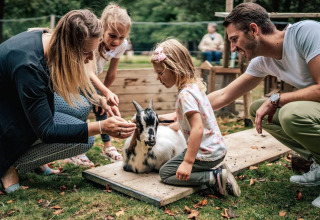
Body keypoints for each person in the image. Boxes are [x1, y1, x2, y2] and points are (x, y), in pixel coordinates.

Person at [0, 9, 136, 194]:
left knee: (81, 105)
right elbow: (47, 131)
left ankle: (35, 161)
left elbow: (69, 84)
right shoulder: (29, 67)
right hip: (7, 121)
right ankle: (10, 165)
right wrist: (103, 126)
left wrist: (99, 99)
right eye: (86, 52)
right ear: (68, 48)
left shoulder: (48, 40)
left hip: (19, 108)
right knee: (85, 140)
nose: (90, 58)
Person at [205, 2, 320, 208]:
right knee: (257, 108)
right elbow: (223, 95)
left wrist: (277, 98)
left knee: (290, 114)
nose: (233, 48)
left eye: (234, 39)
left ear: (253, 30)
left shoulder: (306, 33)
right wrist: (180, 113)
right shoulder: (263, 61)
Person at [150, 39, 241, 197]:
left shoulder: (185, 95)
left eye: (160, 73)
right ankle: (218, 172)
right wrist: (159, 120)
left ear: (175, 68)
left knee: (166, 173)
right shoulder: (193, 87)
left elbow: (197, 128)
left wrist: (188, 162)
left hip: (206, 153)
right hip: (216, 149)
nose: (158, 78)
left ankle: (214, 177)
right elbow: (186, 119)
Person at [60, 3, 132, 165]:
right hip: (75, 76)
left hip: (93, 80)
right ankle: (74, 150)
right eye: (112, 36)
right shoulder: (92, 39)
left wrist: (104, 94)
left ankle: (107, 146)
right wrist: (105, 92)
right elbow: (88, 72)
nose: (117, 41)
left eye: (121, 37)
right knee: (81, 108)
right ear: (102, 30)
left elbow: (112, 72)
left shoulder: (122, 45)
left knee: (101, 106)